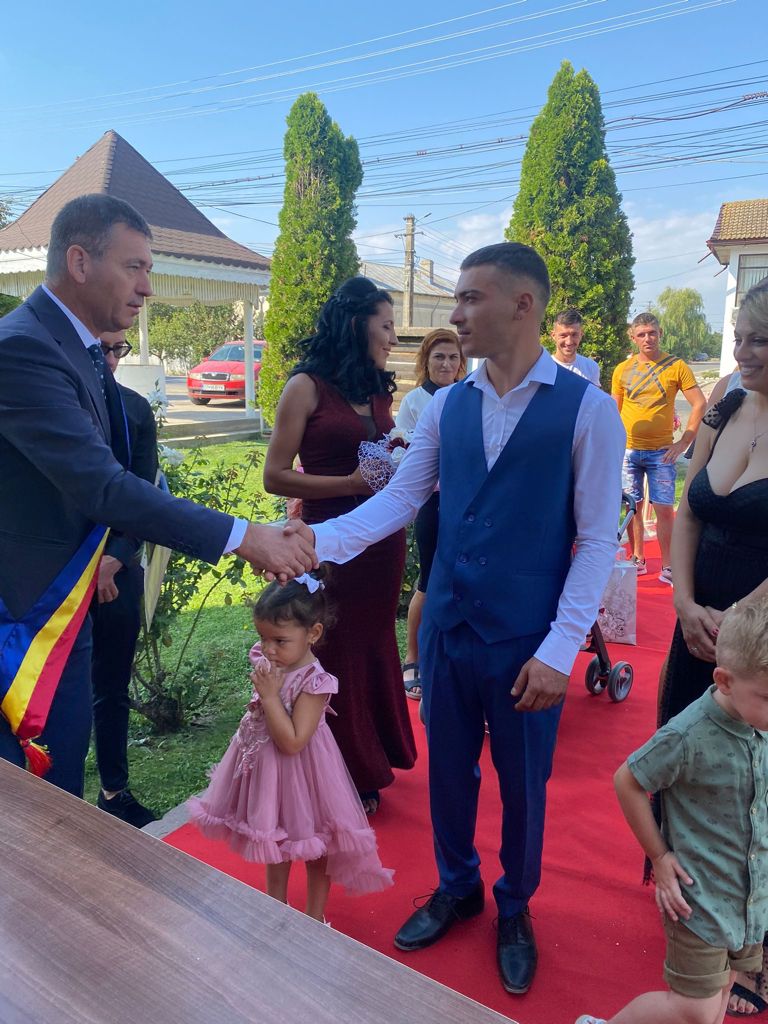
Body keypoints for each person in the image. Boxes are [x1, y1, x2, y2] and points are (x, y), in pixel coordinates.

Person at [289, 242, 625, 995]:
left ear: (523, 305)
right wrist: (312, 544)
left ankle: (515, 905)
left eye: (472, 297)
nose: (456, 313)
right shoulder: (447, 404)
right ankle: (457, 885)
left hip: (526, 639)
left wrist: (561, 648)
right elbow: (400, 500)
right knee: (448, 769)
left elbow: (598, 539)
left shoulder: (588, 409)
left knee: (524, 782)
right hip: (447, 626)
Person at [0, 194, 316, 798]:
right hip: (19, 621)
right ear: (80, 262)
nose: (147, 286)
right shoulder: (22, 349)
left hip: (63, 612)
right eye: (134, 267)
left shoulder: (77, 348)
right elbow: (103, 485)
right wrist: (244, 537)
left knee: (59, 787)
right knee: (25, 809)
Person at [263, 276, 416, 816]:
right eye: (386, 325)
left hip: (382, 541)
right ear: (356, 325)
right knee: (334, 648)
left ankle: (371, 759)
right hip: (324, 543)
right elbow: (275, 476)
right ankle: (338, 770)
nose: (393, 337)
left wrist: (396, 452)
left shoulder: (377, 389)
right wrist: (348, 483)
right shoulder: (305, 387)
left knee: (373, 642)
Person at [576, 596, 768, 1024]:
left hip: (751, 896)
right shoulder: (688, 734)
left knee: (722, 991)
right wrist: (660, 857)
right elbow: (628, 780)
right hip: (699, 897)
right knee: (693, 1008)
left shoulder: (757, 718)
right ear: (725, 681)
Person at [657, 278, 768, 1017]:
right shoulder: (726, 399)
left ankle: (755, 949)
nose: (743, 351)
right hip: (698, 622)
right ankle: (702, 917)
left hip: (761, 636)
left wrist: (738, 621)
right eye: (740, 336)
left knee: (756, 789)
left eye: (761, 339)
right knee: (696, 771)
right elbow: (690, 507)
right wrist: (683, 602)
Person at [187, 572, 393, 921]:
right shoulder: (271, 660)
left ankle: (313, 917)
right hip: (267, 771)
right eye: (263, 638)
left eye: (280, 640)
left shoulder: (314, 681)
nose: (268, 649)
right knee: (273, 839)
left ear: (313, 633)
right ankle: (275, 907)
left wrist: (269, 698)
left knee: (316, 843)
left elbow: (294, 742)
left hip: (305, 775)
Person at [90, 329, 158, 827]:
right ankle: (47, 790)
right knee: (53, 688)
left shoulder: (135, 410)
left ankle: (114, 792)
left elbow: (144, 498)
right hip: (55, 578)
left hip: (117, 573)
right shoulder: (56, 406)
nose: (112, 359)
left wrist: (115, 557)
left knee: (110, 686)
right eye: (102, 349)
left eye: (119, 349)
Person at [395, 327, 466, 698]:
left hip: (468, 504)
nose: (446, 364)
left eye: (453, 357)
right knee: (428, 580)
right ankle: (414, 658)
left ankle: (453, 658)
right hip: (434, 502)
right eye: (439, 356)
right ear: (426, 360)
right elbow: (403, 452)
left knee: (465, 581)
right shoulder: (414, 401)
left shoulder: (470, 395)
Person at [611, 313, 706, 584]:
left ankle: (669, 566)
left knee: (664, 508)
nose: (647, 339)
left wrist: (684, 442)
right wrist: (612, 445)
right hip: (628, 451)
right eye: (641, 334)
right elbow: (613, 409)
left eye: (652, 333)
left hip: (661, 452)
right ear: (633, 337)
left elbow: (699, 403)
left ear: (660, 333)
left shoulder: (676, 366)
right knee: (633, 507)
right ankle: (637, 559)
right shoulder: (622, 369)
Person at [550, 309, 600, 385]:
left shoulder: (591, 367)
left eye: (574, 335)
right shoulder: (544, 368)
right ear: (553, 336)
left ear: (581, 334)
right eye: (563, 335)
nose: (569, 342)